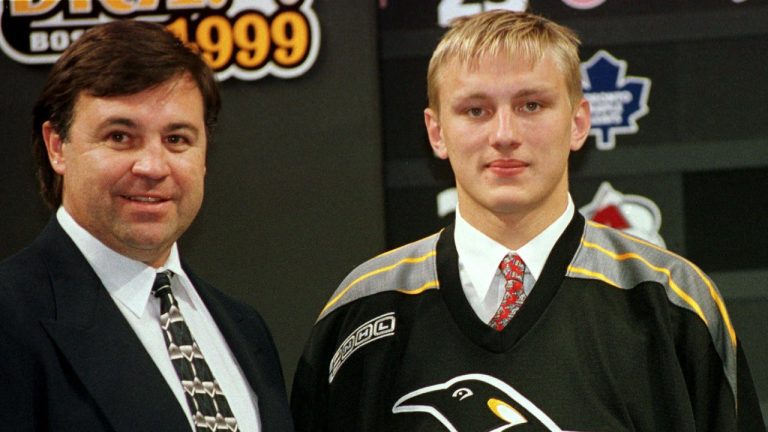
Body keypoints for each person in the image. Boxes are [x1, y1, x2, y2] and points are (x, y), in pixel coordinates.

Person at [291, 10, 765, 431]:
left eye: (531, 105)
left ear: (579, 122)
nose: (504, 135)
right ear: (437, 132)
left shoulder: (671, 303)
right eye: (475, 110)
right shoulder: (362, 310)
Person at [0, 20, 293, 431]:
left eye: (176, 139)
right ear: (56, 147)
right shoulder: (11, 316)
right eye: (120, 136)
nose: (153, 167)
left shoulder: (246, 329)